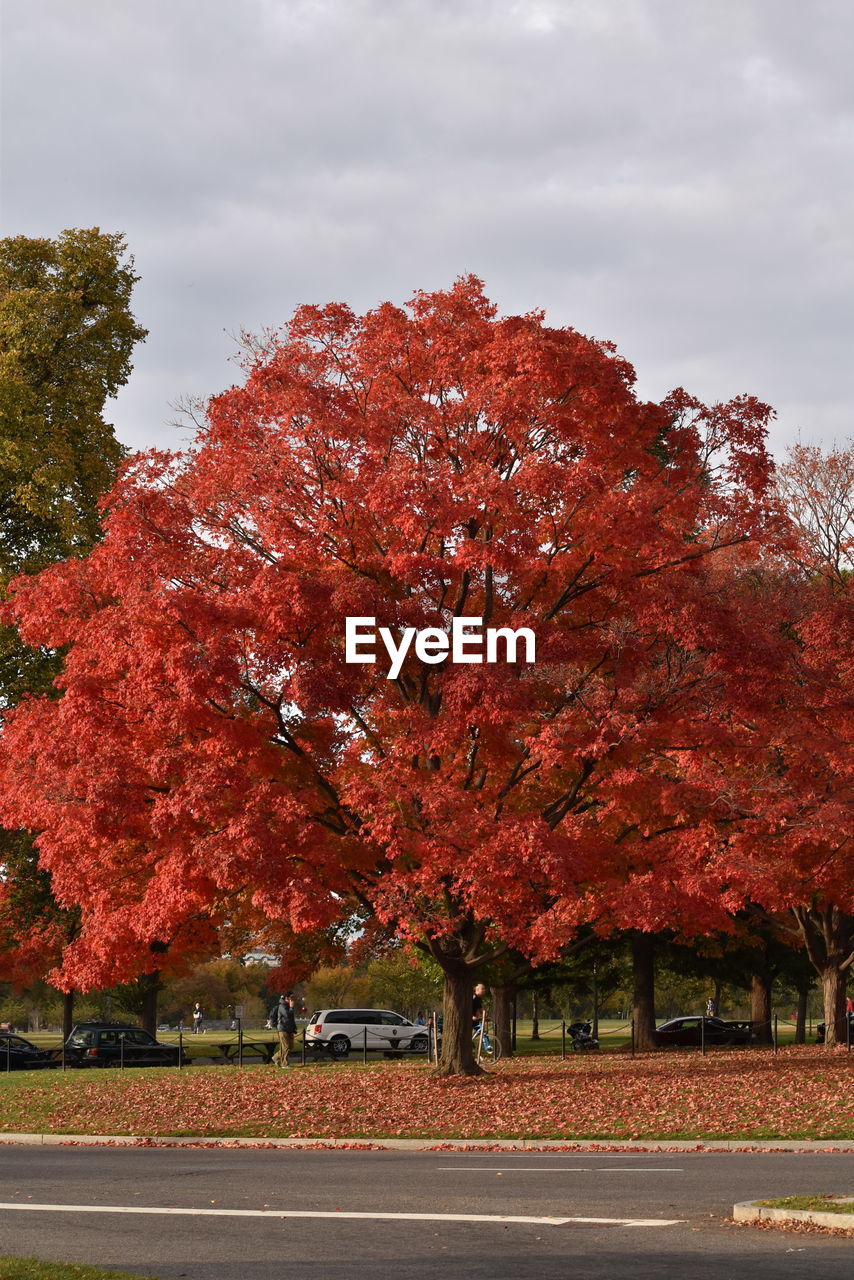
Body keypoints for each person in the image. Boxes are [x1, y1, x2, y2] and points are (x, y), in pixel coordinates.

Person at [274, 992, 297, 1068]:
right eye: (291, 998)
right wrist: (291, 1007)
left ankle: (275, 1057)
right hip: (283, 1029)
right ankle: (285, 1064)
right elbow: (287, 1016)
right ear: (286, 998)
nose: (292, 1000)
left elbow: (291, 1019)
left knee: (290, 1046)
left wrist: (294, 1027)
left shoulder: (287, 1006)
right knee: (286, 1047)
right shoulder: (282, 1006)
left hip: (289, 1029)